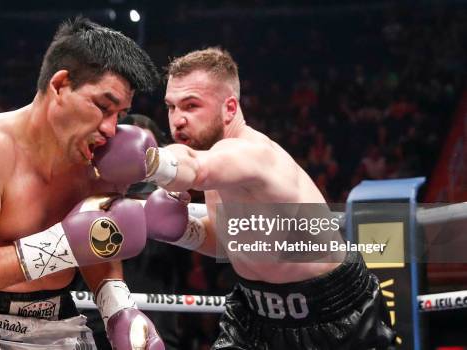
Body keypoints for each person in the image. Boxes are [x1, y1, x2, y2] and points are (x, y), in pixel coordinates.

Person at [93, 48, 396, 349]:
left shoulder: (251, 155)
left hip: (334, 318)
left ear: (229, 108)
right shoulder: (216, 162)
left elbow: (193, 167)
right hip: (254, 314)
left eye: (191, 106)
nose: (178, 120)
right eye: (171, 107)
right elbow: (232, 243)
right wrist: (185, 232)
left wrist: (150, 160)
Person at [0, 17, 164, 350]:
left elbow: (95, 239)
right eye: (103, 107)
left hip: (55, 318)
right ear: (60, 85)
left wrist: (116, 307)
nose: (110, 127)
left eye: (120, 113)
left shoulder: (96, 158)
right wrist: (59, 246)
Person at [77, 114, 182, 349]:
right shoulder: (90, 198)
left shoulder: (173, 199)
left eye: (144, 154)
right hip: (95, 326)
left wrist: (183, 222)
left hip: (158, 326)